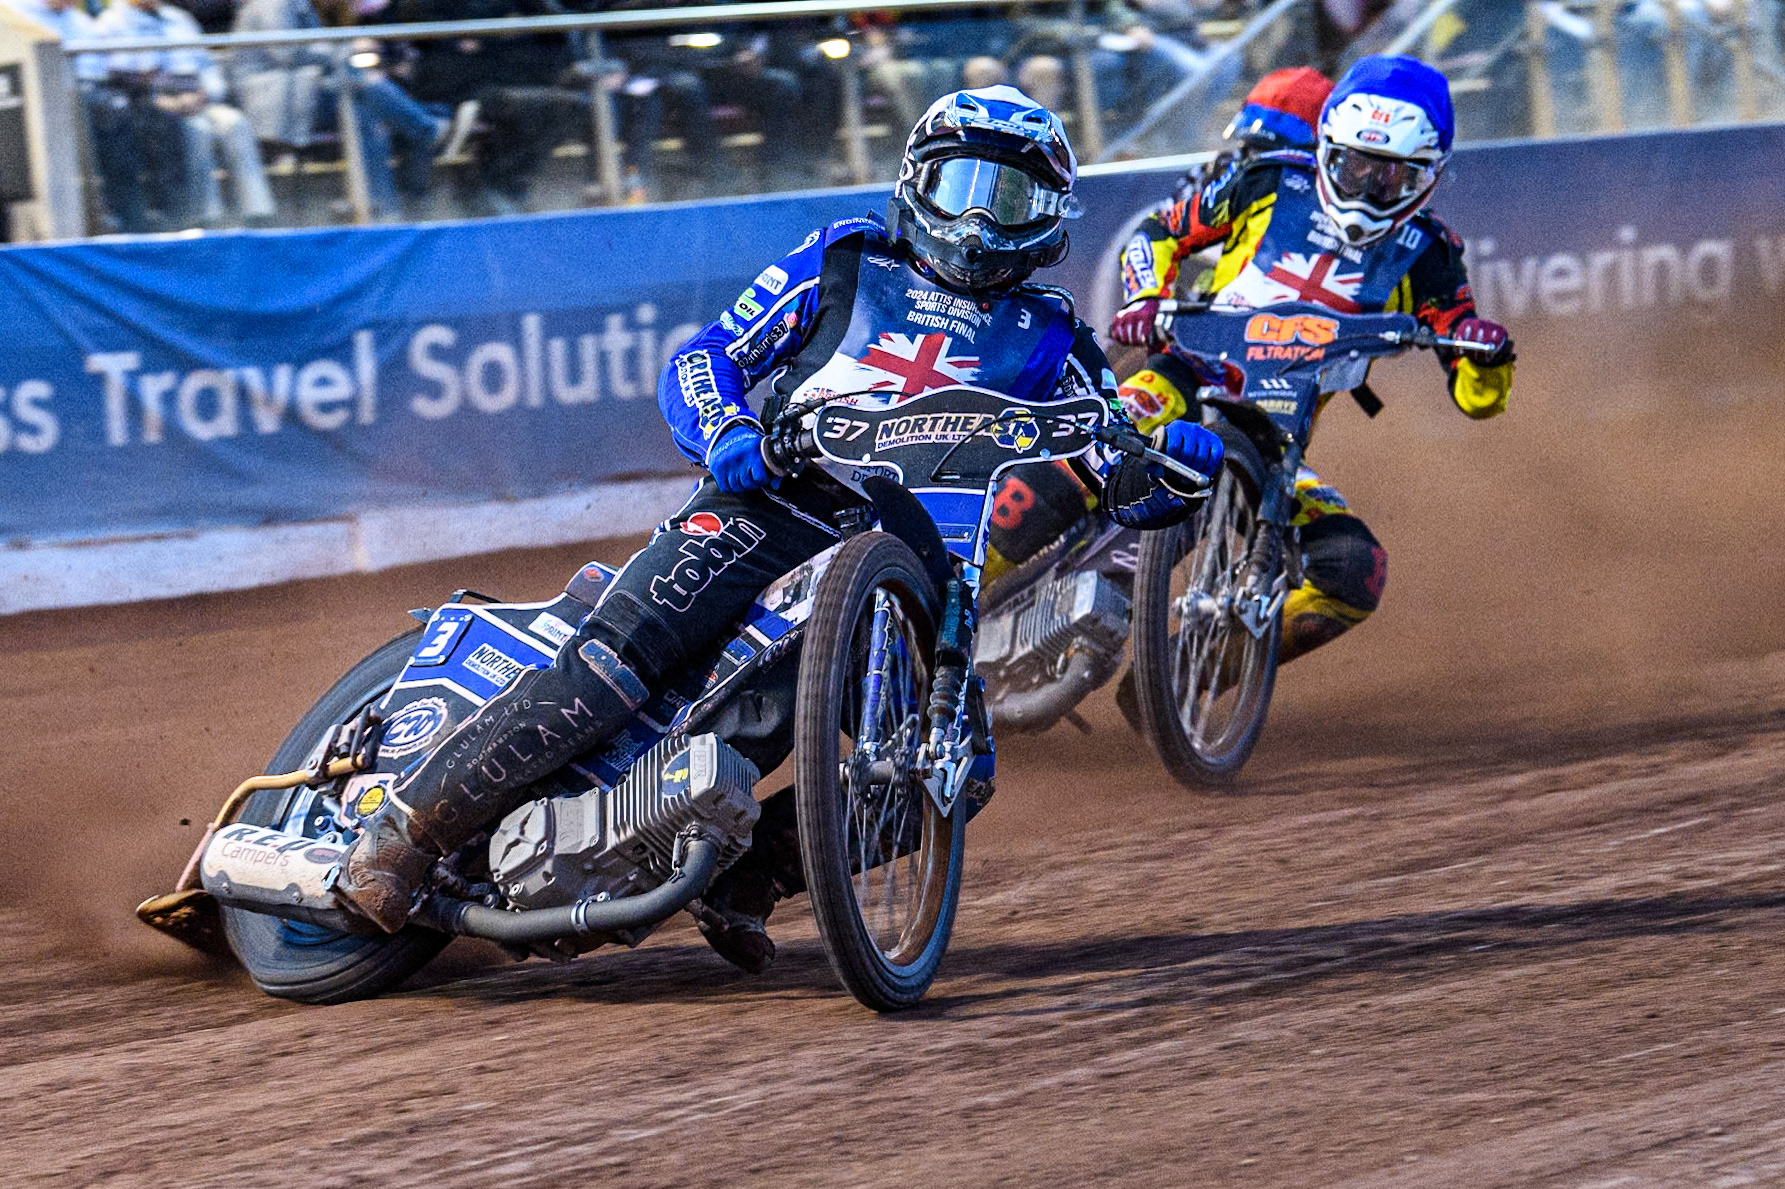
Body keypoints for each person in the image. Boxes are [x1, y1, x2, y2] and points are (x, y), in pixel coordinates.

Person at [333, 86, 1225, 973]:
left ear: (1050, 220)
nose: (982, 223)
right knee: (619, 659)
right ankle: (404, 832)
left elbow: (1117, 471)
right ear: (919, 183)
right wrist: (725, 428)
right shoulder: (843, 260)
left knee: (953, 770)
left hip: (913, 576)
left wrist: (1172, 472)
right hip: (776, 505)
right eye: (964, 190)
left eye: (1012, 199)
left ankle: (747, 881)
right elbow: (704, 357)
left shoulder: (1054, 338)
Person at [1108, 54, 1514, 669]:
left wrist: (1485, 352)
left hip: (1272, 453)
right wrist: (1146, 298)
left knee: (1354, 571)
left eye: (1393, 177)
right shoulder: (1267, 181)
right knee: (1108, 431)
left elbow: (1475, 392)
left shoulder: (1430, 253)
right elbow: (1157, 233)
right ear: (1326, 149)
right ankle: (950, 604)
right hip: (1187, 374)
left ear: (1429, 176)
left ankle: (1180, 682)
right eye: (1354, 167)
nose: (1369, 189)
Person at [93, 0, 278, 226]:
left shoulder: (180, 19)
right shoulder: (110, 24)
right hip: (157, 110)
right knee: (196, 130)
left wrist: (205, 94)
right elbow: (118, 79)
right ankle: (208, 219)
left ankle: (259, 215)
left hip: (200, 101)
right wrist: (161, 101)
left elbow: (208, 67)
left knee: (235, 123)